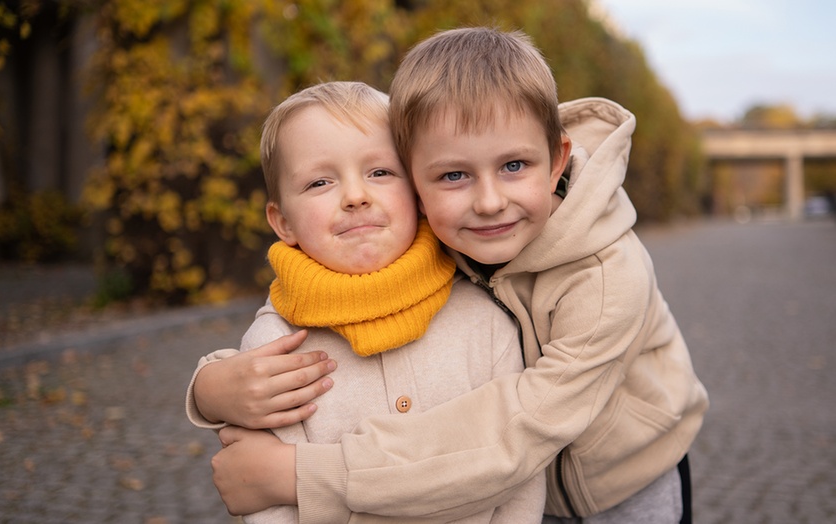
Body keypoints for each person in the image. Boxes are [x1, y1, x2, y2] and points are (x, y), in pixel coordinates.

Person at [209, 27, 710, 523]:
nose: (489, 202)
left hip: (622, 490)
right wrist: (211, 387)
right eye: (453, 175)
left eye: (514, 165)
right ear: (414, 180)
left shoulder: (606, 281)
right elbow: (323, 297)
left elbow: (517, 433)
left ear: (558, 161)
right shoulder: (432, 233)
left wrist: (305, 475)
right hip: (499, 489)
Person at [185, 80, 546, 523]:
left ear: (417, 192)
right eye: (320, 182)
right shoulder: (275, 346)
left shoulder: (485, 323)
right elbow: (267, 499)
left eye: (380, 172)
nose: (356, 196)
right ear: (284, 223)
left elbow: (521, 479)